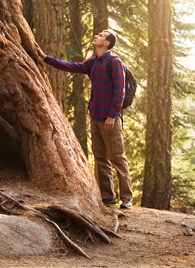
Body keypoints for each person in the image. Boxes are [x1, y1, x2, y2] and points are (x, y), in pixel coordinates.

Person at [36, 30, 133, 210]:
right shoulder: (93, 62)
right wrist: (45, 58)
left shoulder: (114, 62)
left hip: (110, 118)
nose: (97, 35)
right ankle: (108, 199)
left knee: (117, 157)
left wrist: (112, 115)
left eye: (102, 35)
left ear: (107, 43)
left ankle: (126, 198)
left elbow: (120, 91)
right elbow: (71, 66)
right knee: (100, 158)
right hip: (95, 116)